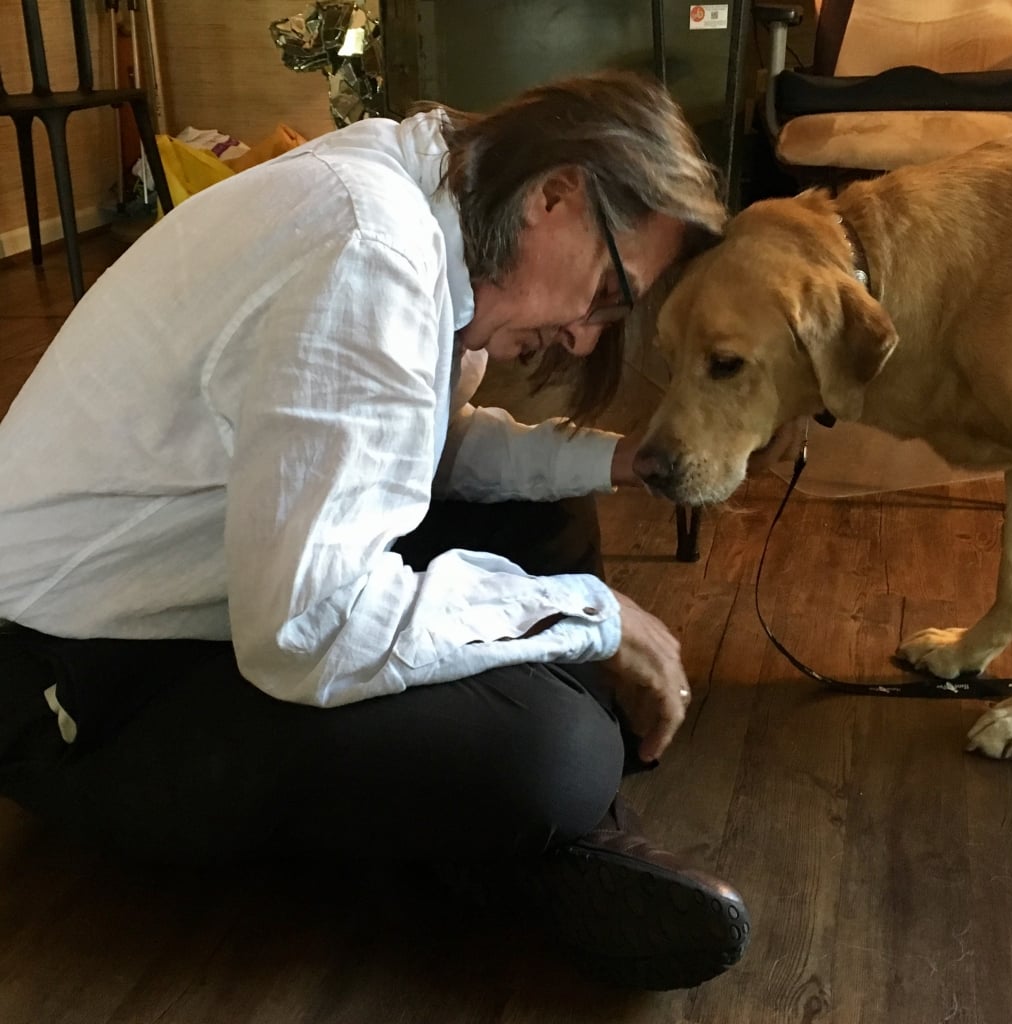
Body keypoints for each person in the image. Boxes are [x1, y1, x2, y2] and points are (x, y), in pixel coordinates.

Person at [0, 72, 750, 991]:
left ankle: (541, 838)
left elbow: (406, 444)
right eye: (604, 291)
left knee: (542, 519)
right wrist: (591, 614)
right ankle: (551, 843)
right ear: (556, 194)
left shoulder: (414, 189)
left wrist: (613, 463)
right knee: (556, 753)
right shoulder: (369, 249)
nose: (588, 337)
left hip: (210, 598)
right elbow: (305, 630)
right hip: (68, 690)